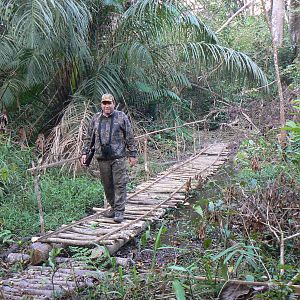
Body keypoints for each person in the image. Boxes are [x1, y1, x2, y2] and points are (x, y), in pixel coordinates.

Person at [81, 93, 137, 223]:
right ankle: (113, 207)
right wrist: (84, 152)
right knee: (107, 185)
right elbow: (89, 137)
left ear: (114, 103)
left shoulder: (121, 116)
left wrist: (132, 154)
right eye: (104, 103)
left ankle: (119, 211)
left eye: (109, 103)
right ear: (101, 104)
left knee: (119, 184)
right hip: (102, 158)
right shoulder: (95, 118)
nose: (106, 106)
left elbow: (129, 136)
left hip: (118, 157)